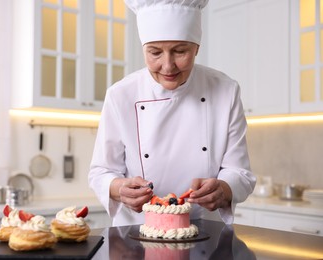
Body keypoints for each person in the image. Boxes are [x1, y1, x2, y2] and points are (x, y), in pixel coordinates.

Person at [88, 0, 256, 227]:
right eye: (155, 52)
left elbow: (240, 173)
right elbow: (101, 172)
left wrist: (224, 189)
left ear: (197, 47)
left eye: (180, 51)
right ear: (143, 49)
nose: (168, 66)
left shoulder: (225, 91)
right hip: (136, 230)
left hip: (204, 229)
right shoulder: (121, 95)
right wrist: (119, 189)